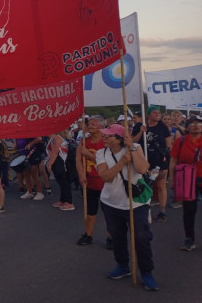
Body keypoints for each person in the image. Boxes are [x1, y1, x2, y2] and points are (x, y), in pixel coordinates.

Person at [96, 124, 158, 292]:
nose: (105, 138)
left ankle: (146, 272)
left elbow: (143, 168)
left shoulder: (135, 147)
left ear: (120, 139)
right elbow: (105, 177)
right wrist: (122, 162)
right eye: (105, 135)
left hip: (136, 203)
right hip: (111, 203)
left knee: (141, 238)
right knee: (117, 237)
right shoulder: (101, 153)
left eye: (109, 136)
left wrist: (131, 147)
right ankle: (122, 265)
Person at [168, 117, 202, 251]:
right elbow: (173, 160)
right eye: (192, 124)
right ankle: (189, 239)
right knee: (189, 211)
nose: (196, 126)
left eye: (199, 124)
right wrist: (172, 179)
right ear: (187, 127)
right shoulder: (181, 141)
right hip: (187, 180)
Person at [76, 115, 111, 247]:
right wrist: (81, 175)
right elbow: (78, 159)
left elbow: (108, 163)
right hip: (89, 181)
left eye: (93, 124)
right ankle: (88, 234)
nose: (89, 126)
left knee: (108, 212)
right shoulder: (84, 141)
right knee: (90, 211)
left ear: (101, 126)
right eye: (89, 124)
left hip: (105, 182)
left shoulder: (106, 141)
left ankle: (110, 237)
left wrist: (89, 155)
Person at [132, 106, 171, 221]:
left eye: (159, 113)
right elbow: (133, 141)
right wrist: (141, 131)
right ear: (149, 114)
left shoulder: (162, 126)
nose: (158, 114)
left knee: (161, 185)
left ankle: (162, 212)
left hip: (159, 161)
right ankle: (144, 210)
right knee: (143, 185)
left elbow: (168, 144)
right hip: (143, 161)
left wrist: (165, 160)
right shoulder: (140, 125)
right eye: (155, 112)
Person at [46, 130, 74, 210]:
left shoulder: (56, 138)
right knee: (61, 182)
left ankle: (69, 202)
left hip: (61, 162)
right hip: (58, 161)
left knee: (64, 182)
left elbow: (55, 152)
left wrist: (50, 164)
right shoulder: (53, 138)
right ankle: (63, 200)